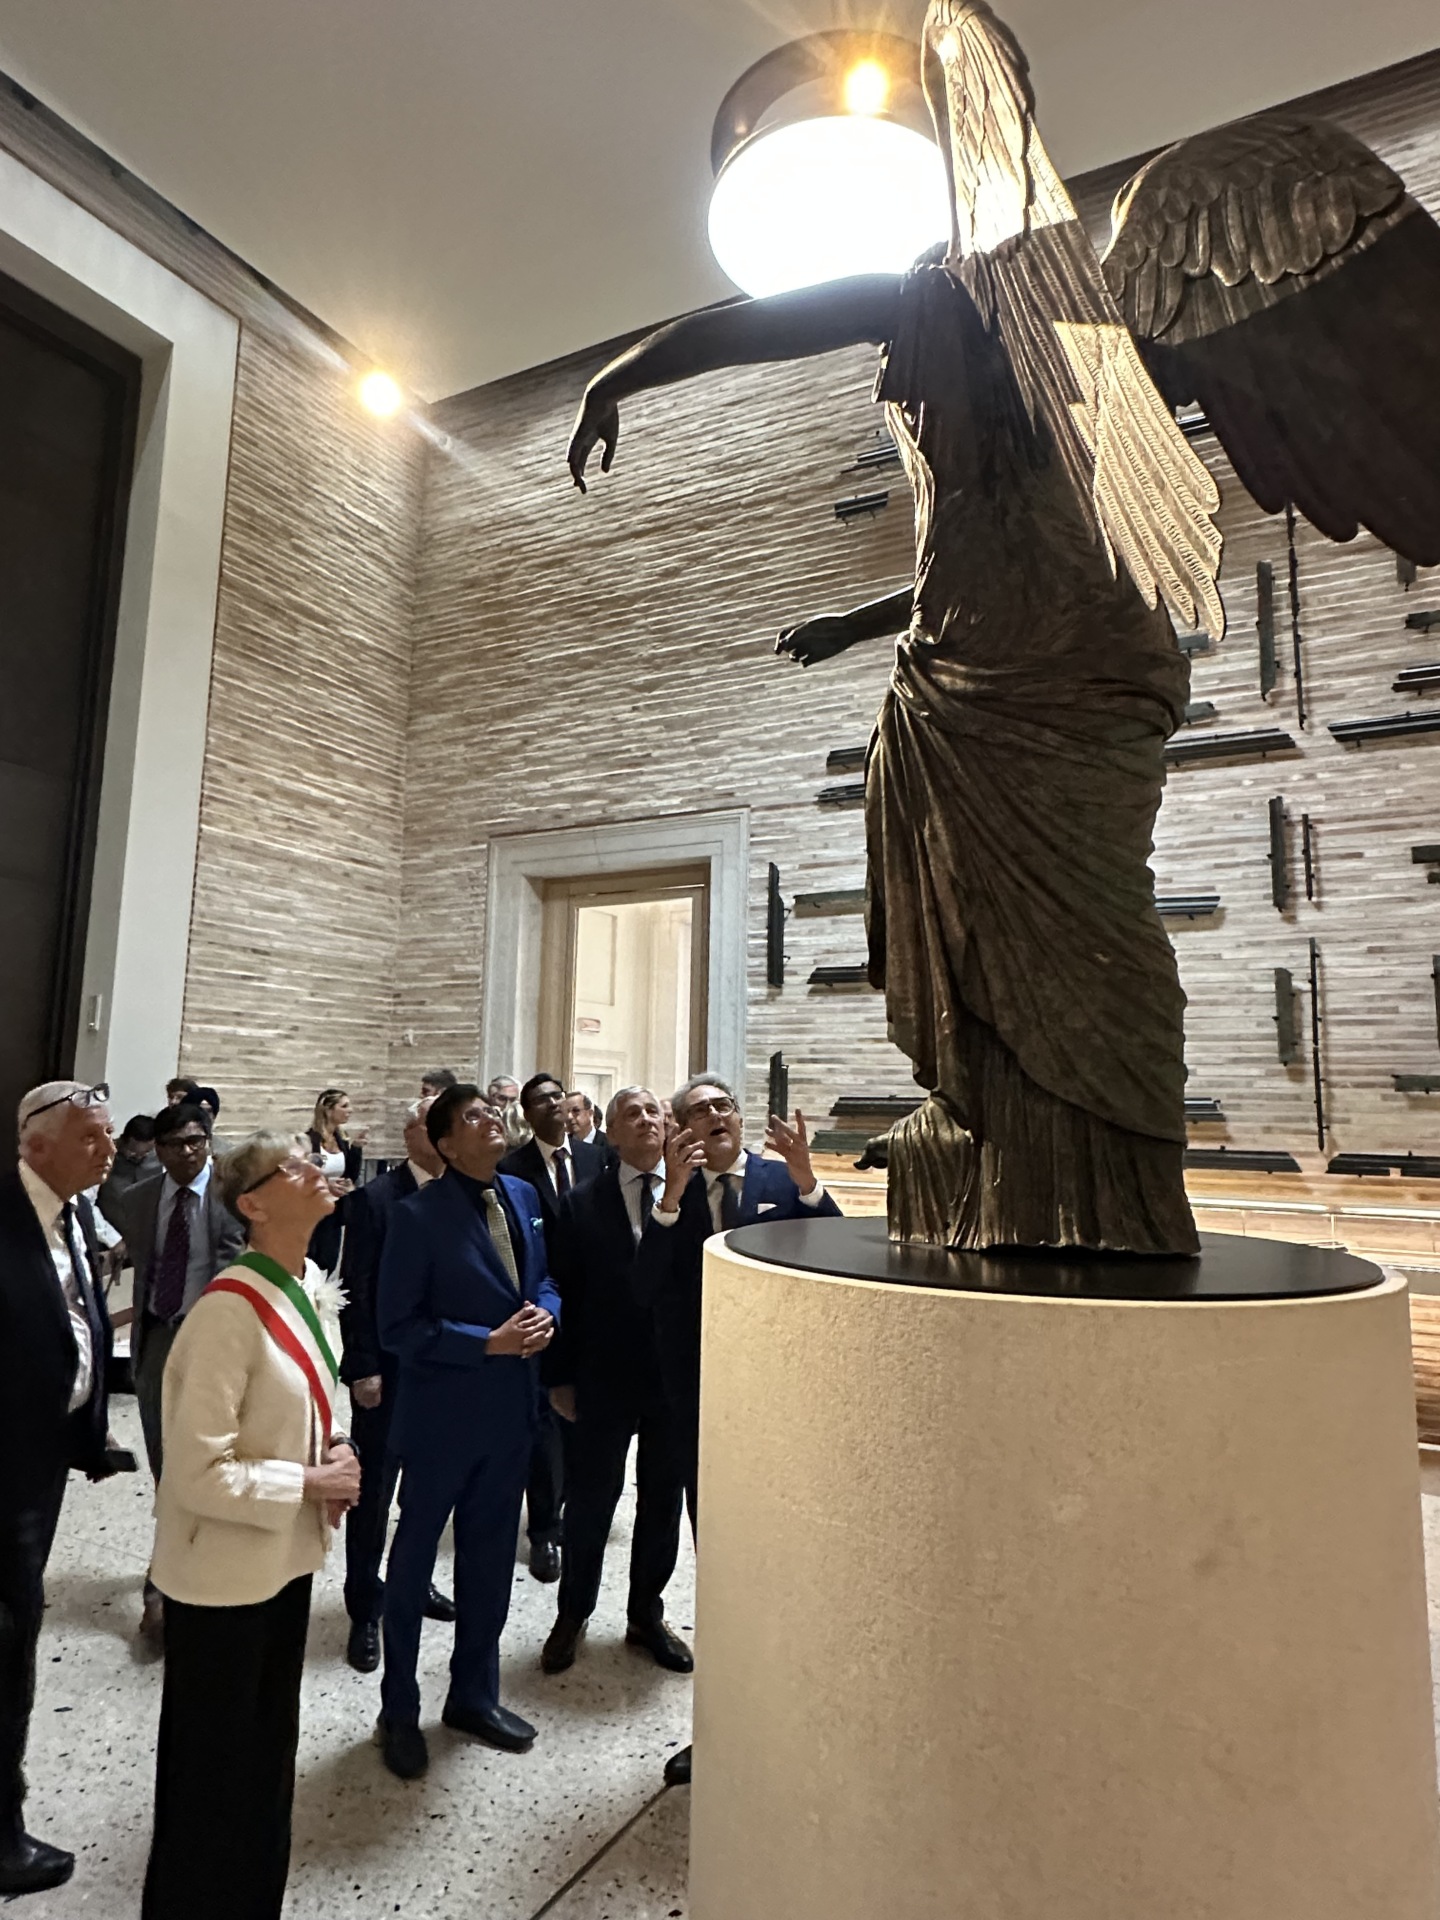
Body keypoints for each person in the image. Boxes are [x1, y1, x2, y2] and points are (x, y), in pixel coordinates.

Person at [142, 1132, 361, 1920]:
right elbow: (197, 1471)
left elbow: (313, 1401)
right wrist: (309, 1482)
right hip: (222, 1578)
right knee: (212, 1781)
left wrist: (337, 1448)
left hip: (283, 1562)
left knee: (266, 1762)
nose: (317, 1170)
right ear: (253, 1205)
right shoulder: (226, 1314)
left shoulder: (306, 1286)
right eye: (294, 1166)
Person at [637, 1075, 842, 1785]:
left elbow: (833, 1257)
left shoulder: (782, 1180)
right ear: (681, 1129)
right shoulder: (672, 1194)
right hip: (702, 1404)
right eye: (698, 1111)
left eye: (723, 1105)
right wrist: (670, 1197)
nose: (715, 1116)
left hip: (783, 1403)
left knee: (789, 1565)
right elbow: (645, 1287)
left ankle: (798, 1718)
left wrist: (807, 1179)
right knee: (722, 1566)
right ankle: (721, 1731)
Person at [375, 1085, 558, 1780]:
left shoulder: (523, 1195)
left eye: (492, 1111)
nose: (492, 1121)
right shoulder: (417, 1216)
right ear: (446, 1144)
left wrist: (547, 1313)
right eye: (474, 1116)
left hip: (510, 1417)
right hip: (440, 1423)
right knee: (413, 1567)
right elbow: (399, 1327)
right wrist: (486, 1342)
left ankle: (473, 1697)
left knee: (488, 1563)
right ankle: (398, 1709)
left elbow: (543, 1279)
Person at [0, 1082, 119, 1895]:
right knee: (9, 1644)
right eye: (90, 1138)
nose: (107, 1151)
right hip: (4, 1470)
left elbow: (72, 1326)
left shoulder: (72, 1213)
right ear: (35, 1144)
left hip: (42, 1459)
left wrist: (87, 1430)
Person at [540, 1087, 690, 1678]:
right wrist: (559, 1377)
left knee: (663, 1502)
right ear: (613, 1133)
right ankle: (572, 1613)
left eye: (654, 1111)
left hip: (672, 1380)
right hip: (603, 1377)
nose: (648, 1120)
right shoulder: (581, 1202)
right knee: (590, 1501)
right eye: (633, 1113)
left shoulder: (693, 1195)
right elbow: (564, 1289)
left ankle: (646, 1614)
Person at [111, 1102, 246, 1642]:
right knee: (165, 1459)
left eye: (196, 1141)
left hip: (215, 1339)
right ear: (157, 1150)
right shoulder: (139, 1199)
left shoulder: (234, 1195)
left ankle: (198, 1571)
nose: (187, 1153)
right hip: (158, 1338)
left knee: (211, 1453)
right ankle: (167, 1569)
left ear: (209, 1141)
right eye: (174, 1144)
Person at [338, 1099, 454, 1674]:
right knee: (374, 1493)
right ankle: (364, 1606)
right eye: (428, 1123)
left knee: (428, 1491)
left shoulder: (466, 1193)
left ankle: (415, 1581)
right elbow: (355, 1288)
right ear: (409, 1135)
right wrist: (362, 1366)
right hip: (387, 1371)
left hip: (446, 1371)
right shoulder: (375, 1200)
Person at [499, 1073, 607, 1582]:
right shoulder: (511, 1168)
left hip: (593, 1306)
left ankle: (580, 1512)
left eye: (559, 1096)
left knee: (588, 1418)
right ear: (527, 1112)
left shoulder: (595, 1157)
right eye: (541, 1099)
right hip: (541, 1303)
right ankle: (543, 1529)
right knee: (545, 1425)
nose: (554, 1104)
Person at [306, 1089, 364, 1274]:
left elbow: (350, 1174)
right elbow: (304, 1175)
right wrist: (325, 1184)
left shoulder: (341, 1140)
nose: (350, 1110)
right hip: (313, 1209)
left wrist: (356, 1149)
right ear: (329, 1110)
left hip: (335, 1210)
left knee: (329, 1262)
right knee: (311, 1261)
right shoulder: (310, 1140)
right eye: (344, 1106)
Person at [96, 1114, 158, 1224]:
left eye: (146, 1153)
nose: (138, 1158)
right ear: (124, 1140)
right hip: (113, 1228)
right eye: (133, 1153)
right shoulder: (104, 1157)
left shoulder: (159, 1159)